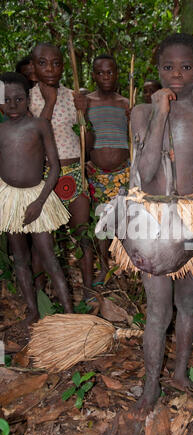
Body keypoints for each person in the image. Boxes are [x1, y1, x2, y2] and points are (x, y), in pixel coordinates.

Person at [129, 33, 193, 412]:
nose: (177, 75)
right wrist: (161, 114)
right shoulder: (142, 111)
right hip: (152, 220)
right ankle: (150, 385)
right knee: (159, 310)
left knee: (188, 303)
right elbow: (147, 168)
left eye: (186, 67)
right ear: (157, 70)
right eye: (168, 67)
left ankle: (182, 373)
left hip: (192, 217)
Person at [0, 72, 73, 331]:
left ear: (28, 98)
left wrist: (40, 202)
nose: (12, 105)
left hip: (37, 198)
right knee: (20, 258)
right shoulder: (1, 130)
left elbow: (54, 167)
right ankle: (32, 311)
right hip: (9, 199)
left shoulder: (40, 125)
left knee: (49, 258)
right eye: (5, 99)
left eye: (18, 98)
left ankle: (69, 315)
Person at [29, 43, 94, 300]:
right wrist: (50, 102)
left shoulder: (73, 95)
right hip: (44, 177)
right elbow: (34, 138)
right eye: (43, 63)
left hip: (74, 172)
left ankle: (89, 292)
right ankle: (40, 296)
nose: (50, 69)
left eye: (56, 63)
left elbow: (87, 144)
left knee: (83, 234)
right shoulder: (27, 98)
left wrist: (84, 114)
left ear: (63, 66)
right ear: (33, 68)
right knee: (42, 243)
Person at [75, 54, 130, 284]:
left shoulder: (126, 103)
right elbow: (81, 136)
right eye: (100, 72)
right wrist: (84, 159)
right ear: (94, 75)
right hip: (97, 172)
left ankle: (125, 264)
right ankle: (103, 266)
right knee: (101, 221)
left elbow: (134, 137)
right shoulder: (86, 102)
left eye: (110, 72)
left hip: (123, 172)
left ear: (116, 74)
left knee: (125, 220)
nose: (106, 76)